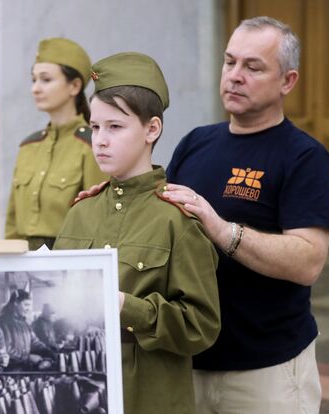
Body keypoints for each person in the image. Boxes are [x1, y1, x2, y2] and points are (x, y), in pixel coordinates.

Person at [163, 16, 329, 414]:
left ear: (287, 82)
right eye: (230, 62)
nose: (235, 76)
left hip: (266, 371)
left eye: (253, 67)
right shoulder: (195, 142)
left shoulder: (306, 158)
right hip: (190, 360)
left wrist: (223, 230)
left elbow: (308, 261)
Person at [53, 52, 221, 414]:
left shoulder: (176, 220)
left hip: (149, 397)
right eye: (95, 127)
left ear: (152, 129)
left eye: (115, 127)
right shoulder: (80, 214)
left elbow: (201, 327)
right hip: (84, 394)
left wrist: (127, 308)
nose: (100, 140)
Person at [4, 37, 107, 250]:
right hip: (22, 261)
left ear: (75, 86)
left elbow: (98, 220)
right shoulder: (29, 146)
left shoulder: (91, 145)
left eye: (46, 80)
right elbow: (13, 222)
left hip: (67, 260)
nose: (35, 88)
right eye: (33, 80)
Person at [0, 289, 56, 370]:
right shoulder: (4, 322)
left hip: (24, 369)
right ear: (16, 303)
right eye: (26, 305)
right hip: (10, 370)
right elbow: (6, 350)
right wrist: (27, 358)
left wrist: (47, 351)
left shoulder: (24, 323)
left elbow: (34, 341)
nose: (29, 309)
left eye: (30, 306)